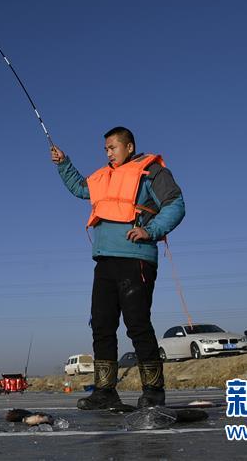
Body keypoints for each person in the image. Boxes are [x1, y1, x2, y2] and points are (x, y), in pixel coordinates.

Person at [51, 126, 185, 409]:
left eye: (113, 147)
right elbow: (80, 187)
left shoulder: (151, 172)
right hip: (105, 261)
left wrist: (151, 230)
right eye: (105, 149)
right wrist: (64, 164)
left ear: (130, 147)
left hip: (135, 258)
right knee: (101, 325)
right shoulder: (103, 177)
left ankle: (153, 391)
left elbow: (176, 204)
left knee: (136, 323)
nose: (108, 153)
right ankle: (105, 391)